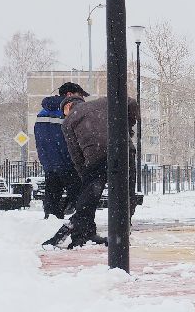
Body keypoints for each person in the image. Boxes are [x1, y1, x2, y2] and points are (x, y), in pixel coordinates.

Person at [55, 96, 140, 248]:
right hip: (123, 149)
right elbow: (132, 102)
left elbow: (75, 153)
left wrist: (85, 177)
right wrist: (126, 127)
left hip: (96, 155)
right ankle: (121, 231)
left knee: (89, 198)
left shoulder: (68, 121)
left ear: (68, 106)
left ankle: (83, 232)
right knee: (126, 193)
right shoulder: (105, 101)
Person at [37, 82, 88, 242]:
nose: (81, 99)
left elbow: (41, 141)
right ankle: (82, 227)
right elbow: (74, 139)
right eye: (79, 95)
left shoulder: (42, 113)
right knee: (81, 199)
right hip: (68, 163)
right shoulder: (68, 112)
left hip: (50, 164)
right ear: (69, 95)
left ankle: (50, 227)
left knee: (52, 198)